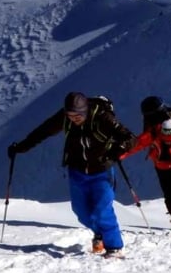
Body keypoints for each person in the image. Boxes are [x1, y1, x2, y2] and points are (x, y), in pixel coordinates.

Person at [8, 91, 136, 257]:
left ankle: (114, 248)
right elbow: (43, 131)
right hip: (77, 171)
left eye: (78, 115)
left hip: (102, 171)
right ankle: (100, 233)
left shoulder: (103, 118)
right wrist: (20, 147)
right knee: (81, 212)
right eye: (70, 115)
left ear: (86, 111)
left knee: (102, 210)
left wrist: (118, 149)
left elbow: (130, 138)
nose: (74, 118)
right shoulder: (65, 117)